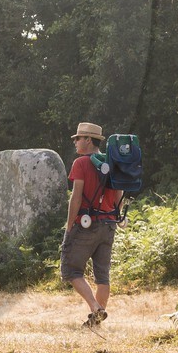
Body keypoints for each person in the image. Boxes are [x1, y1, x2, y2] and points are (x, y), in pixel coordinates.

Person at [60, 121, 122, 328]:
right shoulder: (112, 163)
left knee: (71, 270)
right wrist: (117, 215)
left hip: (86, 224)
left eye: (78, 138)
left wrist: (69, 226)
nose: (75, 142)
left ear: (88, 140)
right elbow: (119, 194)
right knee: (102, 275)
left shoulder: (81, 163)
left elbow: (76, 198)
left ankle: (96, 308)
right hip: (109, 224)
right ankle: (96, 322)